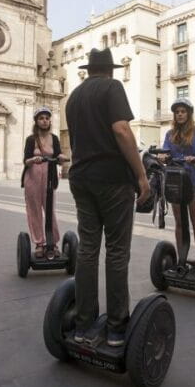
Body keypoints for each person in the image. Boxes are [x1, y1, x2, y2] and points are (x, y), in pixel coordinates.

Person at [66, 47, 150, 348]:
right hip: (112, 178)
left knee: (88, 249)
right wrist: (141, 175)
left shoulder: (74, 96)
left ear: (88, 70)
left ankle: (83, 325)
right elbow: (122, 130)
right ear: (110, 70)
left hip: (81, 177)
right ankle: (116, 328)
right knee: (116, 251)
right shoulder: (112, 87)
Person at [158, 98, 195, 273]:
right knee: (180, 223)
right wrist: (162, 157)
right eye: (177, 112)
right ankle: (182, 259)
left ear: (189, 113)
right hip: (176, 183)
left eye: (183, 111)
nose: (179, 114)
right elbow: (164, 152)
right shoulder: (169, 135)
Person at [21, 107, 68, 258]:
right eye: (41, 118)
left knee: (49, 211)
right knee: (34, 211)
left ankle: (52, 242)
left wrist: (63, 157)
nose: (44, 121)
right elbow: (26, 161)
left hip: (49, 178)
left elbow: (58, 153)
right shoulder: (31, 139)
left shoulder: (54, 138)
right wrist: (33, 160)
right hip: (32, 178)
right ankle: (39, 243)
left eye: (47, 118)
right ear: (36, 121)